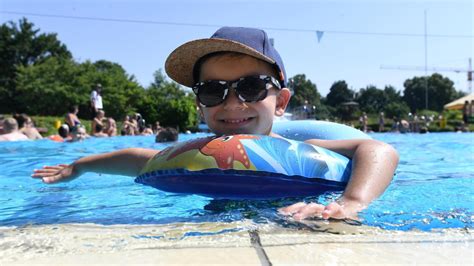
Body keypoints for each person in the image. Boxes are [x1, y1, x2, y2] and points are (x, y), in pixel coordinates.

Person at [32, 26, 398, 221]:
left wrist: (351, 203)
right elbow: (134, 157)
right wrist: (76, 167)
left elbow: (378, 149)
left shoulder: (306, 154)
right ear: (199, 105)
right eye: (212, 91)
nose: (233, 103)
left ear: (281, 102)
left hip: (301, 212)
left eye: (252, 87)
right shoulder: (195, 155)